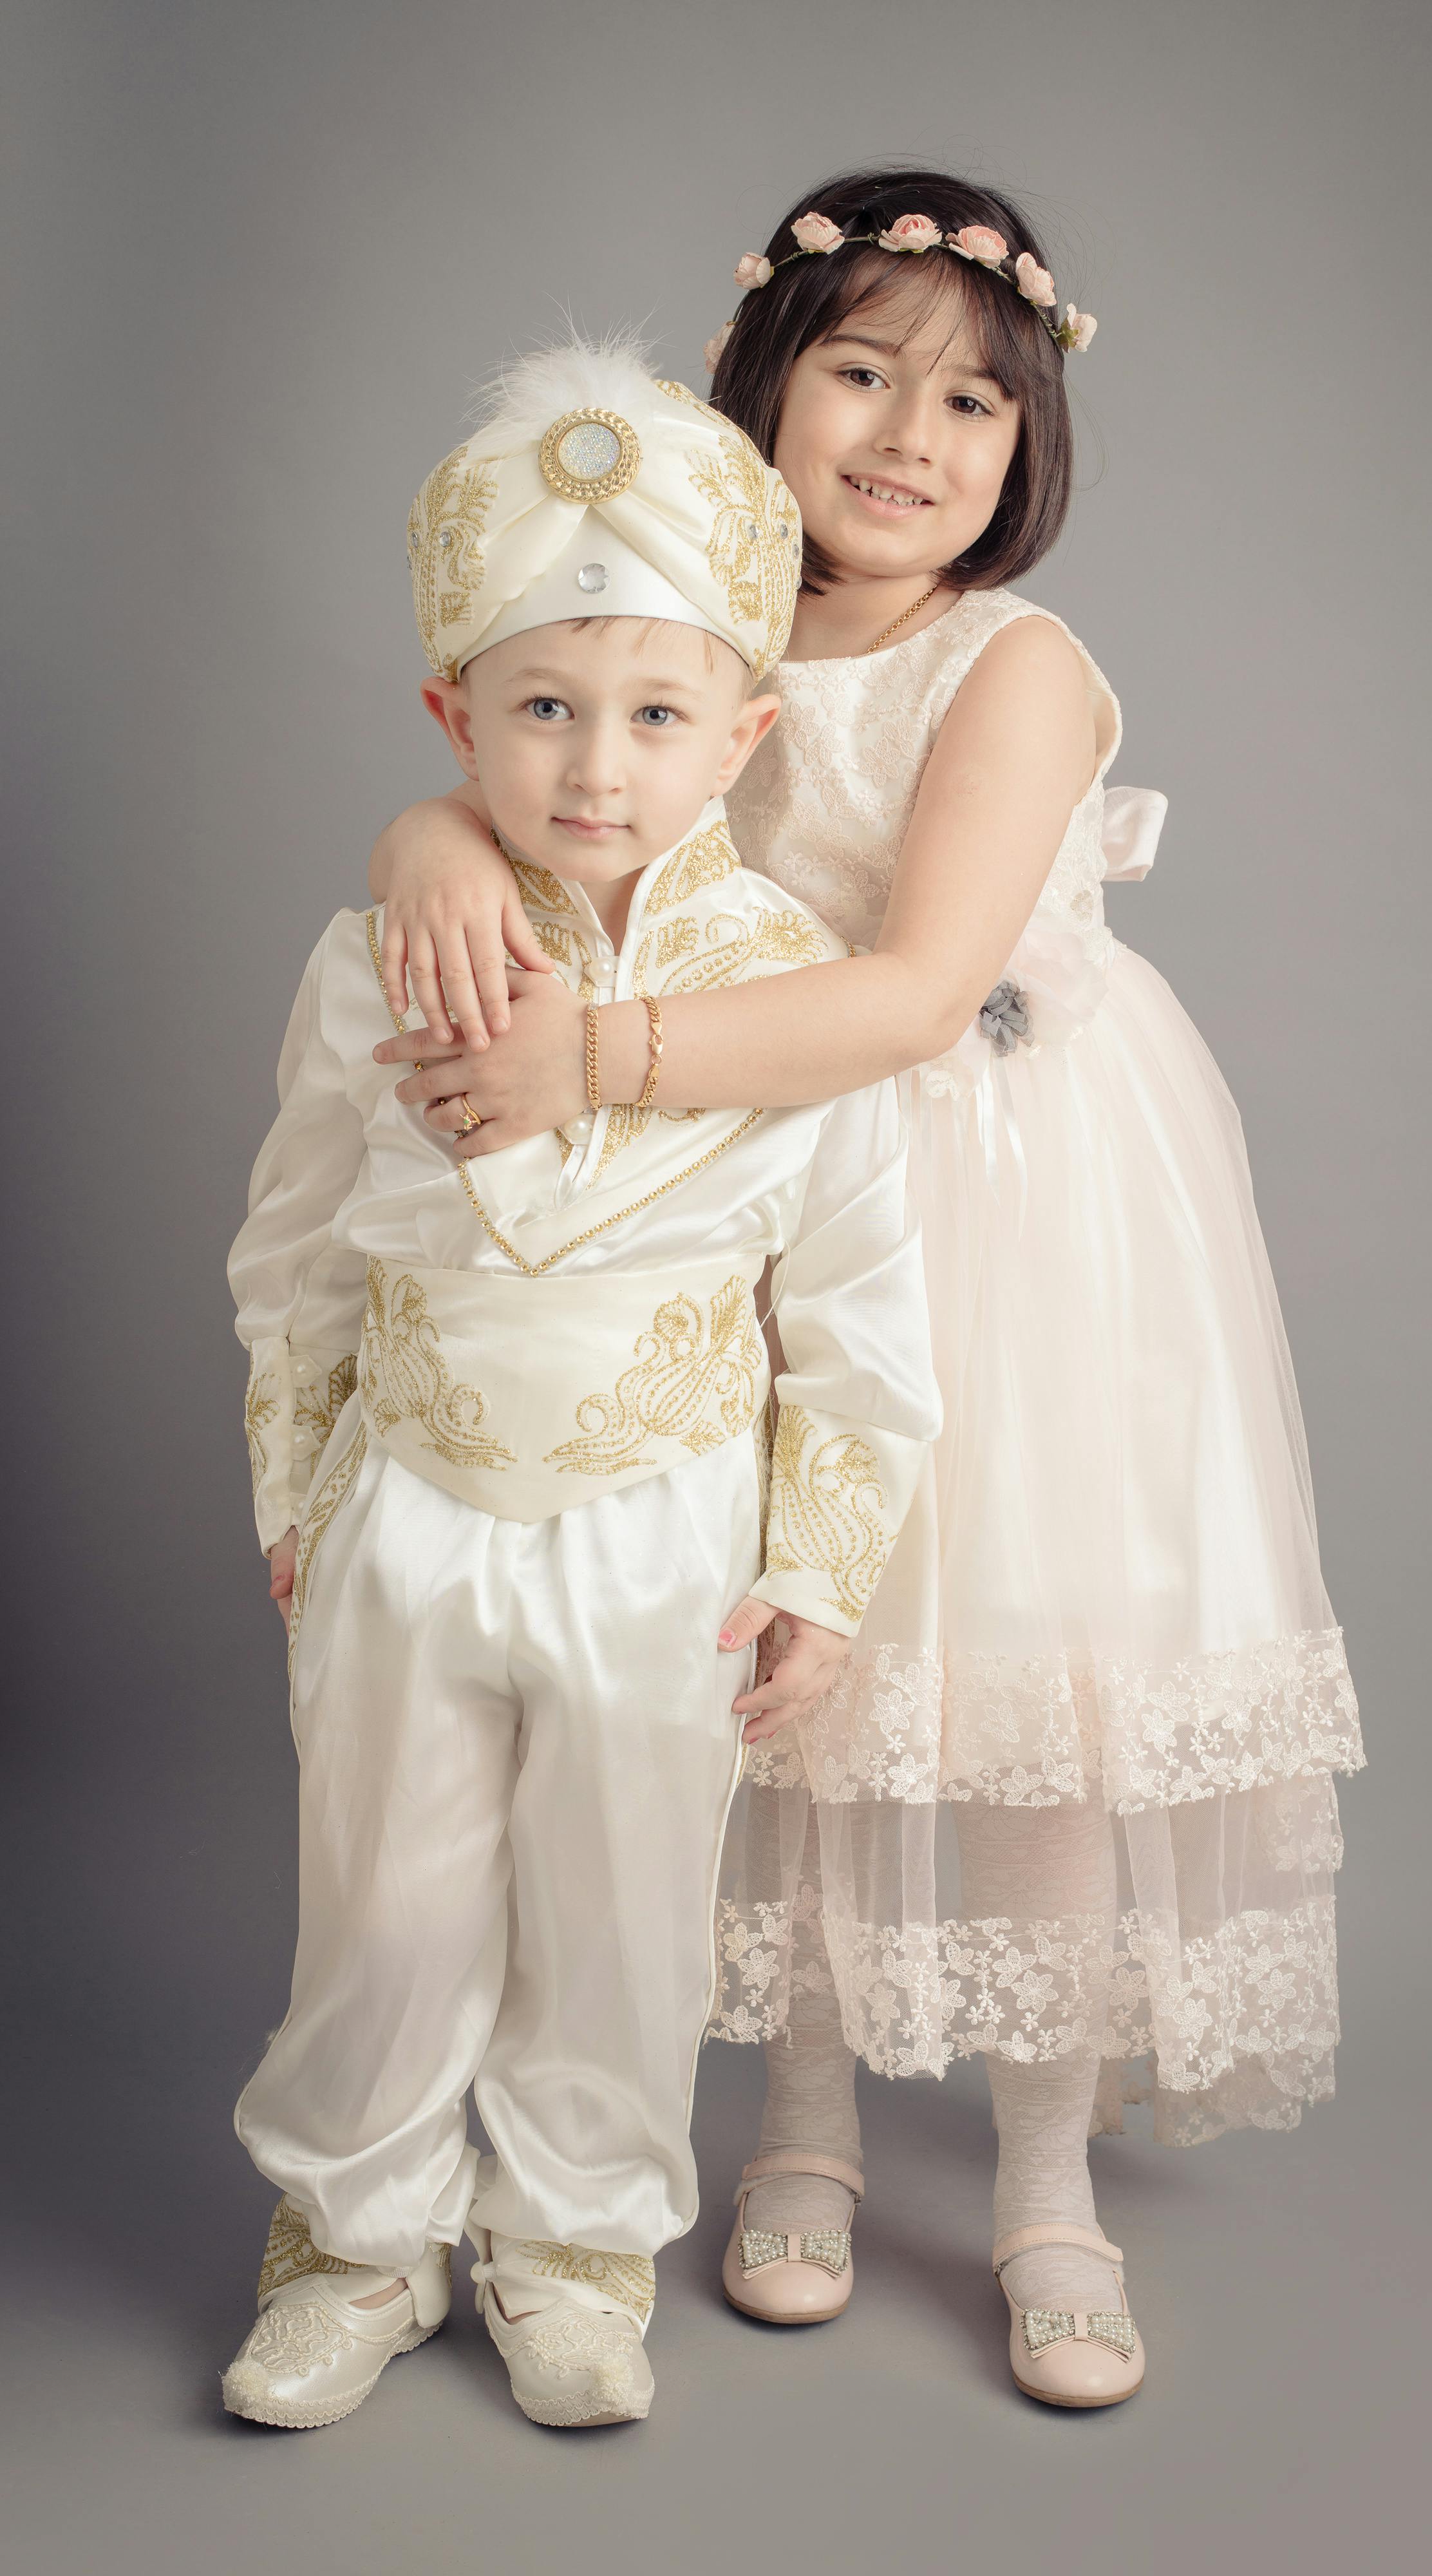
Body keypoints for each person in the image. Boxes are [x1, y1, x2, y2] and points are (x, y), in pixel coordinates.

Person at [366, 168, 1364, 2411]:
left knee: (1004, 1656)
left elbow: (915, 993)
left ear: (1029, 455)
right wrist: (429, 841)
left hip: (999, 1196)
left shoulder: (1010, 664)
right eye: (859, 373)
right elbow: (531, 754)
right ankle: (799, 2131)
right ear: (762, 380)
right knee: (779, 1655)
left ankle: (1038, 2184)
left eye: (975, 405)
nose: (913, 437)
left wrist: (585, 1057)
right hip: (753, 1190)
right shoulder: (692, 639)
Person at [222, 335, 939, 2431]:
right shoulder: (377, 956)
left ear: (743, 729)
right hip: (412, 1506)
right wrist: (295, 1489)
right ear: (456, 718)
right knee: (385, 1894)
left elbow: (861, 1320)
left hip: (665, 1530)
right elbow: (292, 1251)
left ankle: (572, 2245)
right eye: (541, 709)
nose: (594, 767)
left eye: (650, 714)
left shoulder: (794, 1001)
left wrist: (816, 1565)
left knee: (622, 1902)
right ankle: (352, 2243)